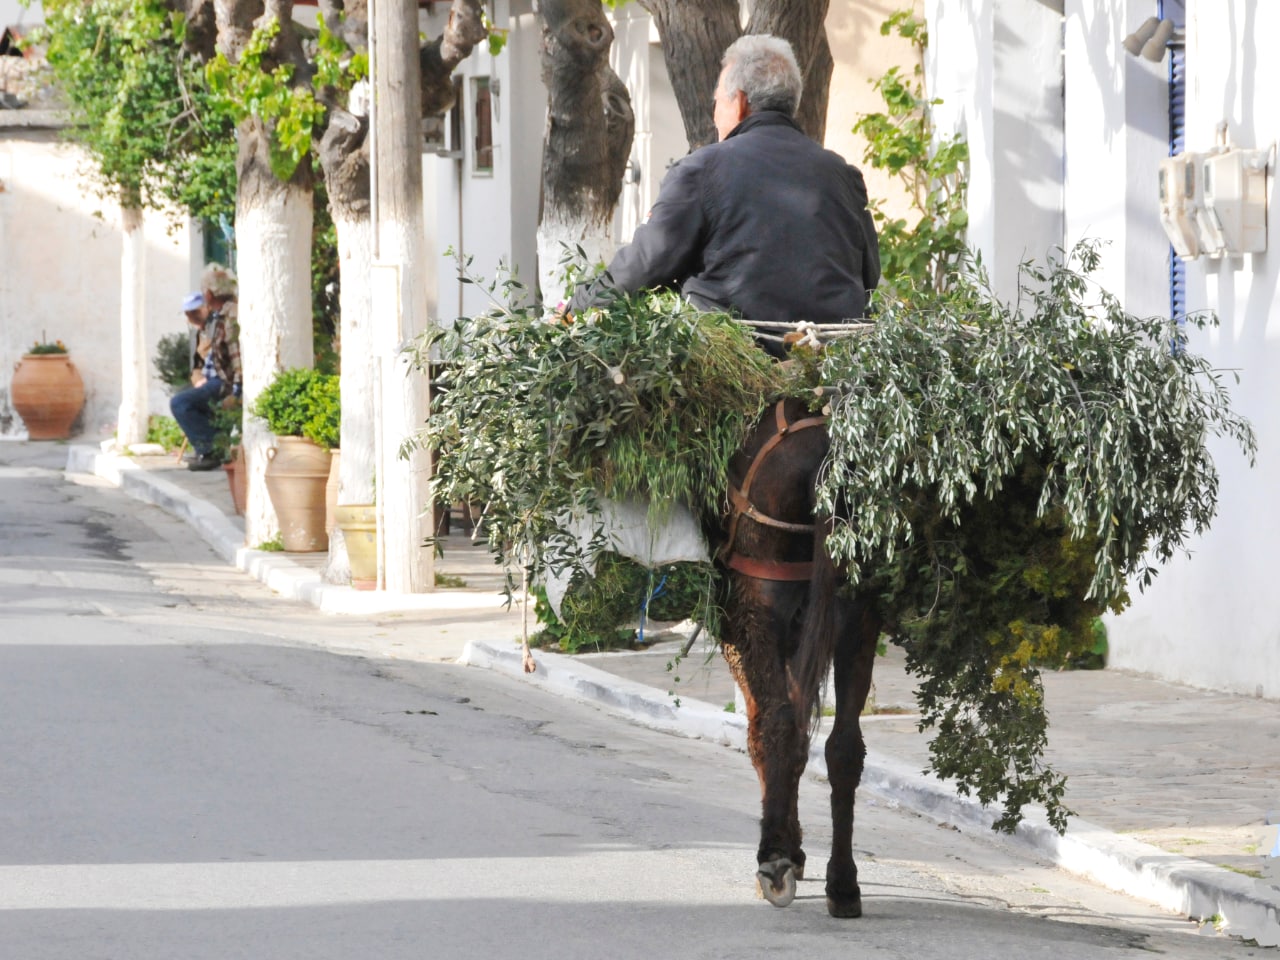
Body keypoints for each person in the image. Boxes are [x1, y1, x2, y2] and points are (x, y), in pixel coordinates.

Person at [567, 34, 880, 357]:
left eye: (716, 101)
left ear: (741, 102)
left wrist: (576, 308)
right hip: (834, 369)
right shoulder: (844, 175)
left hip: (737, 372)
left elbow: (644, 265)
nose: (714, 113)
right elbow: (869, 275)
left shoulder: (701, 170)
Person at [170, 264, 241, 471]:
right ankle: (211, 447)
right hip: (213, 380)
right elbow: (200, 363)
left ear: (209, 295)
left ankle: (212, 450)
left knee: (181, 403)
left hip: (223, 382)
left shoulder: (228, 317)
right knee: (189, 399)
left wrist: (236, 393)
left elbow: (237, 359)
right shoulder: (219, 317)